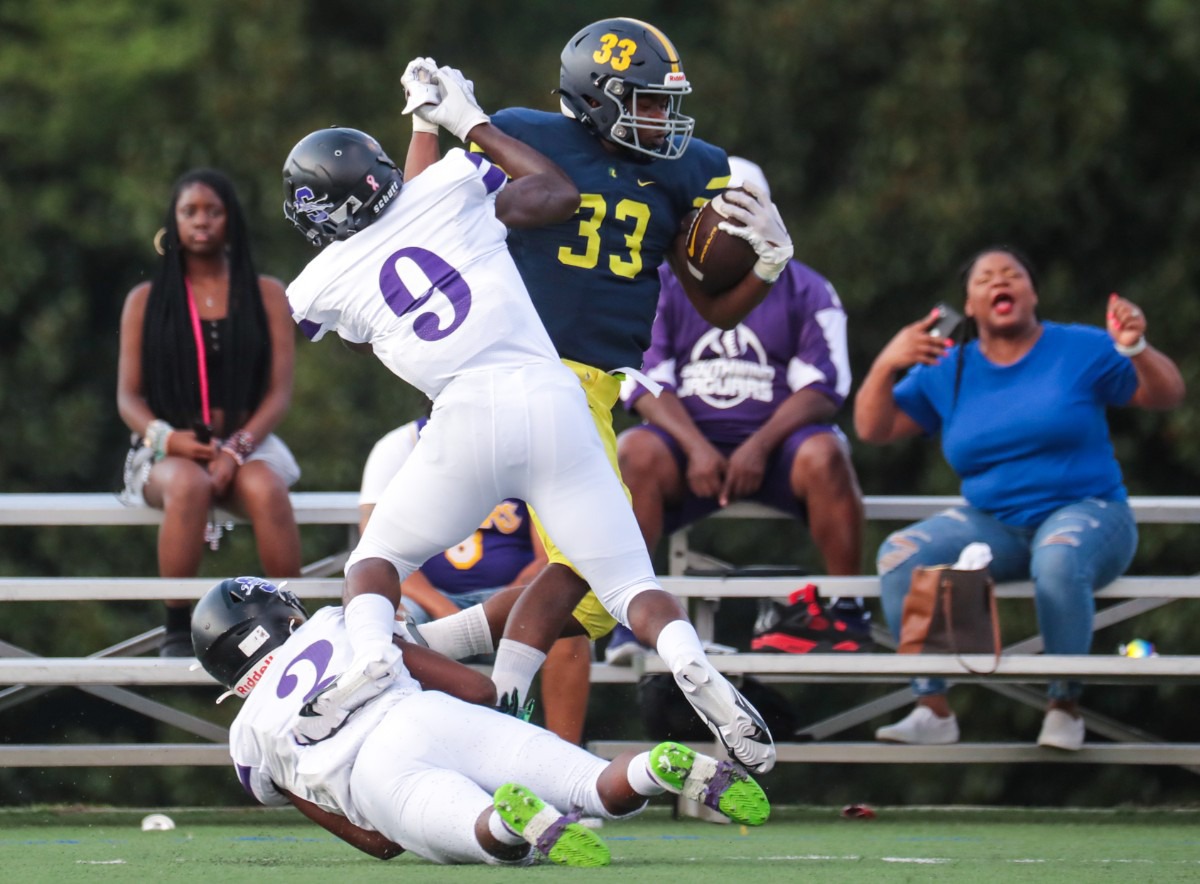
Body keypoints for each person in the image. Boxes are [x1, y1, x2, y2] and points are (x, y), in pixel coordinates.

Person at [277, 61, 774, 774]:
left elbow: (350, 325)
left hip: (464, 420)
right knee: (633, 587)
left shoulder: (315, 284)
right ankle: (696, 672)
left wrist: (423, 132)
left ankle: (378, 659)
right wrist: (464, 121)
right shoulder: (453, 189)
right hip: (554, 400)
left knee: (375, 563)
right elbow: (554, 192)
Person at [407, 21, 793, 759]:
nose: (663, 120)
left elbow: (711, 305)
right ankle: (495, 699)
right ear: (595, 97)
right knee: (598, 571)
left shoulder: (686, 170)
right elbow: (420, 210)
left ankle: (440, 654)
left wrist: (766, 268)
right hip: (534, 373)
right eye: (646, 103)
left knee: (584, 587)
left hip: (595, 393)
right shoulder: (525, 134)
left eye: (666, 103)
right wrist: (429, 123)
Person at [190, 577, 769, 867]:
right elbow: (475, 687)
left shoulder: (248, 736)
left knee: (485, 834)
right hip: (426, 713)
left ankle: (513, 821)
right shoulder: (336, 624)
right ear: (280, 614)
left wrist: (382, 831)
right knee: (590, 785)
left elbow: (371, 841)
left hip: (374, 775)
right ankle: (652, 770)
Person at [854, 246, 1185, 751]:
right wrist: (887, 363)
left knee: (1057, 560)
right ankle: (932, 708)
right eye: (985, 278)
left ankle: (1064, 705)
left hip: (1088, 513)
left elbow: (1165, 396)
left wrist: (1137, 348)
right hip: (993, 523)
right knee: (901, 554)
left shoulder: (1080, 348)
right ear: (968, 305)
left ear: (1032, 293)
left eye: (1012, 274)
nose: (998, 282)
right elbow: (873, 429)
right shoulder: (950, 366)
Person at [612, 156, 868, 663]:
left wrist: (758, 447)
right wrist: (698, 449)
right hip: (685, 450)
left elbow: (825, 386)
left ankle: (846, 606)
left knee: (826, 453)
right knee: (633, 451)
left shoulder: (807, 287)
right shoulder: (662, 283)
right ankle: (630, 612)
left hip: (777, 450)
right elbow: (638, 381)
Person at [116, 168, 301, 656]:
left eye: (213, 211)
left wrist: (237, 450)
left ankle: (293, 623)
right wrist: (169, 440)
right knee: (188, 483)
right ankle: (176, 628)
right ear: (172, 222)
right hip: (166, 449)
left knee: (267, 487)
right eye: (189, 211)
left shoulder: (266, 294)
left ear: (230, 219)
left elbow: (279, 393)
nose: (201, 221)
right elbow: (127, 398)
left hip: (247, 441)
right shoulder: (145, 301)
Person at [359, 418, 591, 743]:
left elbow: (549, 556)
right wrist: (445, 608)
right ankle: (399, 748)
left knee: (567, 626)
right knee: (386, 620)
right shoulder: (398, 449)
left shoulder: (527, 446)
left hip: (508, 594)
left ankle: (566, 758)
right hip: (425, 596)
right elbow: (376, 556)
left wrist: (502, 607)